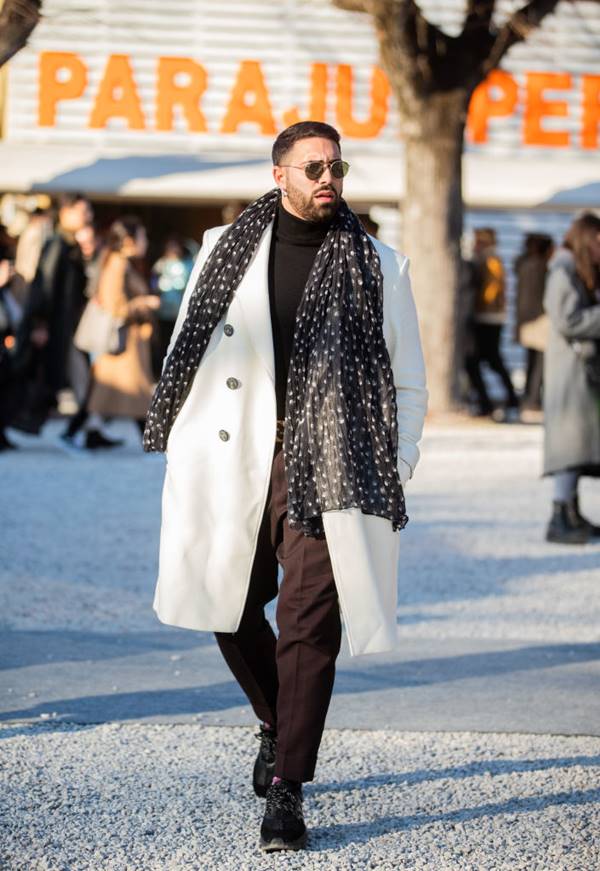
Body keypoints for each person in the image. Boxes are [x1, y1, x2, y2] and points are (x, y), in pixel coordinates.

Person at [143, 121, 428, 851]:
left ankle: (288, 788)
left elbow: (409, 381)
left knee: (309, 622)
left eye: (336, 166)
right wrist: (179, 442)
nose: (328, 178)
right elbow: (187, 350)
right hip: (234, 454)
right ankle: (276, 718)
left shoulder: (379, 264)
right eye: (313, 167)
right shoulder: (223, 249)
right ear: (280, 175)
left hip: (333, 462)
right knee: (227, 602)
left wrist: (393, 466)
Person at [12, 193, 92, 434]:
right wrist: (39, 324)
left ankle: (86, 427)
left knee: (76, 378)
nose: (88, 216)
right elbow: (44, 287)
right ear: (66, 212)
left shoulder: (68, 245)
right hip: (54, 326)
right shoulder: (57, 245)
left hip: (65, 326)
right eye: (83, 211)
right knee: (46, 377)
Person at [543, 212, 600, 544]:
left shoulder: (573, 270)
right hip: (569, 373)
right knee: (568, 444)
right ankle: (560, 515)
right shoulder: (562, 270)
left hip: (580, 371)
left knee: (579, 444)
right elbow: (568, 319)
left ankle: (571, 512)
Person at [86, 216, 159, 441]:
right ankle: (149, 440)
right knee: (136, 392)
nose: (144, 241)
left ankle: (86, 433)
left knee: (115, 395)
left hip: (129, 340)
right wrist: (145, 303)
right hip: (124, 340)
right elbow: (114, 304)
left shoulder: (121, 262)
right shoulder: (118, 262)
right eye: (141, 236)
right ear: (129, 240)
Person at [465, 227, 519, 418]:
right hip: (487, 316)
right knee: (484, 361)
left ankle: (507, 399)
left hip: (488, 318)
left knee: (489, 360)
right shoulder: (485, 260)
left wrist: (480, 303)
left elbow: (492, 289)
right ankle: (490, 400)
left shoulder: (491, 260)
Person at [514, 233, 554, 411]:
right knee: (539, 364)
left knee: (532, 363)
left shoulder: (523, 265)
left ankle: (530, 397)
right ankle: (533, 399)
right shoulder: (541, 267)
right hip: (539, 320)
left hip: (527, 321)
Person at [150, 236, 193, 368]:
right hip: (164, 311)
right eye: (170, 247)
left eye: (175, 246)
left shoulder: (187, 264)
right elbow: (153, 282)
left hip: (180, 310)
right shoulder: (160, 264)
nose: (173, 250)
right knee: (165, 340)